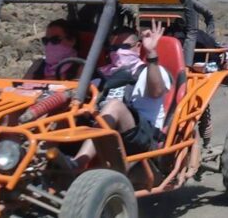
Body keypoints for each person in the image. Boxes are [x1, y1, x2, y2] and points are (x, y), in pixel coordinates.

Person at [65, 20, 172, 170]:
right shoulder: (102, 73)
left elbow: (157, 92)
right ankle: (36, 160)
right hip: (103, 129)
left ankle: (79, 163)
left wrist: (151, 53)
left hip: (142, 134)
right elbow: (77, 96)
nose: (118, 52)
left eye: (125, 47)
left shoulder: (151, 71)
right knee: (64, 106)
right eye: (114, 47)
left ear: (138, 47)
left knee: (114, 106)